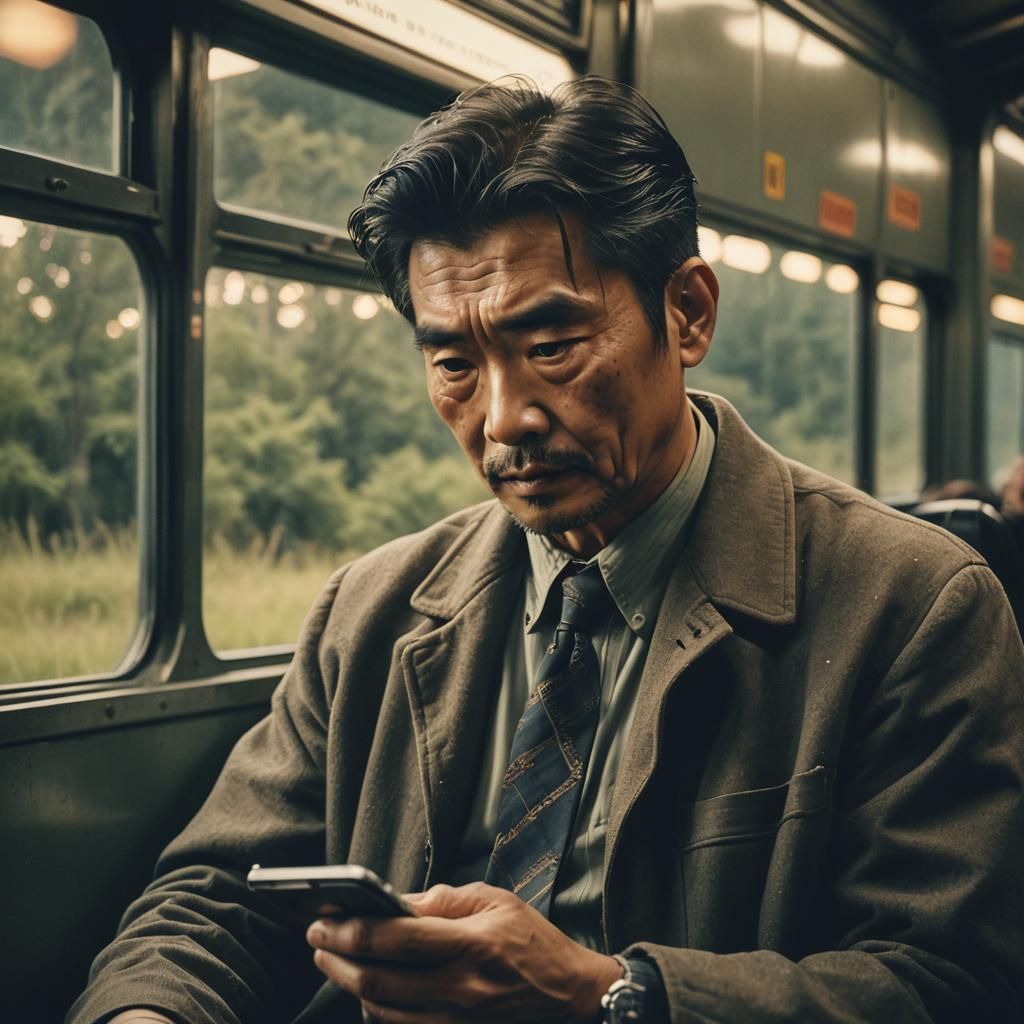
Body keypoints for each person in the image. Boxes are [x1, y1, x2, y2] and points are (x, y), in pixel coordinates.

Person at [69, 77, 1024, 1024]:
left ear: (686, 312)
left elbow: (950, 984)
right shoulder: (372, 609)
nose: (503, 420)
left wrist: (607, 996)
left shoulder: (911, 606)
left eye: (555, 344)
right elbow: (211, 902)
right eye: (453, 365)